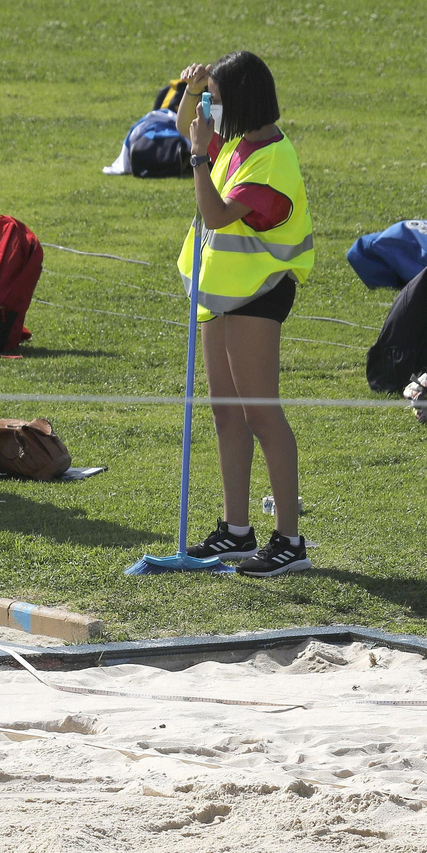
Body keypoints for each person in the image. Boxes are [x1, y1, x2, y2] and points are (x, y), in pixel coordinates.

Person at [173, 52, 313, 578]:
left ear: (242, 103)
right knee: (226, 412)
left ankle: (289, 541)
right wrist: (191, 92)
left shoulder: (270, 166)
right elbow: (187, 128)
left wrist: (198, 158)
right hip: (219, 293)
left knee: (261, 414)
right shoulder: (239, 141)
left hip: (258, 294)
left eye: (217, 99)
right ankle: (236, 531)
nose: (212, 109)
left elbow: (213, 211)